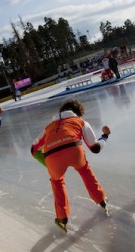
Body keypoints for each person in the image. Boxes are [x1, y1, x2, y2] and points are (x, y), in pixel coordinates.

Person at [30, 98, 111, 232]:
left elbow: (33, 149)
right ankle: (101, 200)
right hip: (74, 151)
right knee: (84, 170)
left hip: (52, 157)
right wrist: (105, 136)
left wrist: (47, 164)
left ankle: (62, 219)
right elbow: (95, 148)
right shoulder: (80, 121)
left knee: (57, 181)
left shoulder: (48, 127)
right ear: (78, 114)